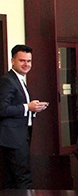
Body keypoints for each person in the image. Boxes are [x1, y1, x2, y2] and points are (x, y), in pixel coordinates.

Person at [0, 45, 48, 188]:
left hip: (22, 134)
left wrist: (34, 109)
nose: (26, 64)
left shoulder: (19, 79)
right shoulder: (7, 80)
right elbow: (2, 109)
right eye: (22, 61)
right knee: (23, 178)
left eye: (29, 61)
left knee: (17, 177)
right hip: (12, 138)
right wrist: (28, 107)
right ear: (12, 61)